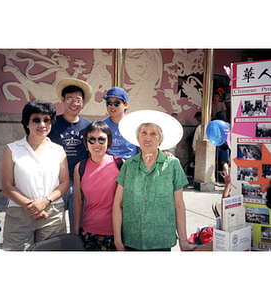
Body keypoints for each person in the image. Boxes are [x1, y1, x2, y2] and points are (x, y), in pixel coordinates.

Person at [112, 110, 196, 251]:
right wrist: (117, 239)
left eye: (153, 133)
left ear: (160, 140)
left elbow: (179, 205)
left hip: (161, 240)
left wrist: (183, 240)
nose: (148, 138)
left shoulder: (173, 165)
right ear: (138, 138)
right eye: (143, 133)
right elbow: (117, 204)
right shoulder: (128, 166)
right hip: (131, 240)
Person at [0, 101, 69, 251]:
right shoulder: (12, 149)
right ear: (27, 122)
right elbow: (6, 186)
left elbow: (64, 183)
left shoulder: (58, 150)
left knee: (50, 259)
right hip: (19, 214)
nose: (42, 124)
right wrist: (31, 206)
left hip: (52, 214)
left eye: (47, 120)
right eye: (36, 120)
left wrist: (44, 202)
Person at [48, 78, 93, 233]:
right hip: (56, 183)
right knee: (54, 227)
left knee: (78, 226)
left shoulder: (88, 126)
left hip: (79, 182)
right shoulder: (52, 124)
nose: (74, 103)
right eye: (70, 99)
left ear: (83, 102)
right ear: (63, 99)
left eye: (78, 100)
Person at [73, 121, 123, 250]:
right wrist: (75, 231)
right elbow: (78, 200)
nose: (96, 144)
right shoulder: (80, 168)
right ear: (86, 142)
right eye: (92, 140)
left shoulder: (120, 164)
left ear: (109, 142)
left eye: (101, 139)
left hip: (116, 234)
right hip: (88, 233)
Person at [102, 87, 139, 160]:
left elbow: (141, 152)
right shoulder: (101, 126)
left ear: (125, 105)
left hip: (129, 167)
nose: (112, 106)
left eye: (116, 103)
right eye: (109, 103)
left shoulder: (135, 126)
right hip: (107, 167)